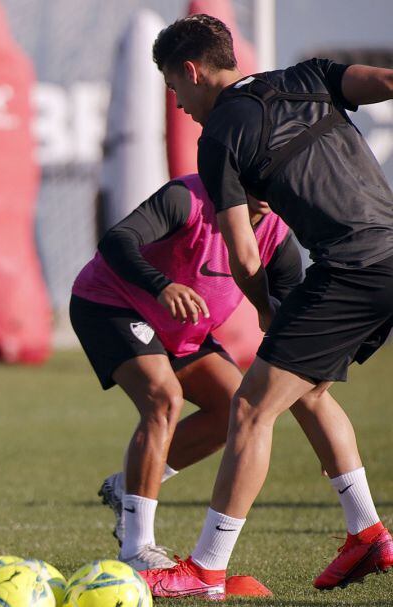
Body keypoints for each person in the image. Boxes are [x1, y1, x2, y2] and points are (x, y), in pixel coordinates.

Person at [137, 14, 393, 597]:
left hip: (351, 268)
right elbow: (383, 80)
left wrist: (264, 312)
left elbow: (245, 256)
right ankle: (367, 533)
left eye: (174, 89)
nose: (178, 104)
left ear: (192, 71)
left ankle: (205, 569)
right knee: (307, 391)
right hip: (389, 255)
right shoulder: (308, 76)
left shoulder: (218, 139)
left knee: (251, 409)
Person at [72, 174, 301, 571]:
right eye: (256, 177)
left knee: (239, 409)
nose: (265, 192)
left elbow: (295, 325)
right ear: (233, 170)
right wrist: (161, 286)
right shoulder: (188, 198)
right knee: (163, 398)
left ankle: (127, 485)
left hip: (183, 329)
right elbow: (116, 241)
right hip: (110, 304)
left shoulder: (277, 235)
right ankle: (137, 548)